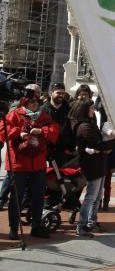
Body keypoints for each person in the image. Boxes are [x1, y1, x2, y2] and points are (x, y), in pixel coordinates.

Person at [2, 91, 58, 239]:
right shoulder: (14, 115)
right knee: (16, 197)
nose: (35, 104)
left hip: (38, 163)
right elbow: (3, 131)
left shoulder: (43, 116)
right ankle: (14, 228)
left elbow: (54, 130)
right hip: (19, 164)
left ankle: (36, 226)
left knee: (38, 196)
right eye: (31, 101)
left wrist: (42, 130)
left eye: (36, 101)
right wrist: (19, 132)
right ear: (24, 102)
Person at [72, 99, 115, 237]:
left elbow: (99, 145)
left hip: (99, 163)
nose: (94, 110)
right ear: (85, 110)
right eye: (91, 108)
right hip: (92, 165)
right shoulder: (84, 126)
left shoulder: (90, 124)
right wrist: (113, 141)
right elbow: (98, 144)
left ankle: (91, 221)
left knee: (97, 196)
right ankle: (82, 225)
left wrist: (106, 146)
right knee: (91, 196)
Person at [41, 82, 73, 166]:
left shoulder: (69, 109)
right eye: (58, 93)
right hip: (46, 151)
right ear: (51, 93)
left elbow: (73, 129)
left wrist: (71, 148)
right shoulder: (42, 110)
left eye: (63, 93)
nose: (61, 95)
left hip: (63, 152)